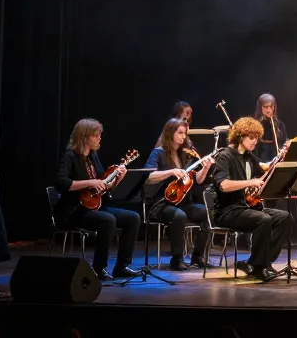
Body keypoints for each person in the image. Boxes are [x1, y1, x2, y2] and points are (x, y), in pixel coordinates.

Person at [52, 119, 141, 280]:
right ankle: (99, 269)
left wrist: (118, 178)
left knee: (133, 218)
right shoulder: (70, 156)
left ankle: (122, 266)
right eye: (96, 135)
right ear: (84, 136)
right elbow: (61, 183)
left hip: (96, 206)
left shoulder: (93, 157)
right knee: (108, 220)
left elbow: (103, 187)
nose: (99, 138)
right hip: (75, 210)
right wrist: (90, 182)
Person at [211, 117, 291, 281]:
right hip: (228, 211)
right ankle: (259, 266)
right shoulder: (224, 156)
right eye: (251, 137)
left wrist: (279, 158)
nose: (255, 141)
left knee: (285, 217)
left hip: (246, 207)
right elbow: (224, 185)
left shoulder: (248, 156)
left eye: (256, 137)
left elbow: (264, 169)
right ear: (240, 136)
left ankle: (260, 263)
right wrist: (250, 182)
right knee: (264, 219)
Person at [145, 118, 214, 270]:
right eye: (180, 133)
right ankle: (177, 259)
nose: (184, 136)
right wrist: (171, 171)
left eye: (185, 133)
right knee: (179, 216)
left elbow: (198, 180)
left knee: (208, 213)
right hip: (161, 204)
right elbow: (148, 176)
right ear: (170, 133)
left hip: (183, 202)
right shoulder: (158, 153)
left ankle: (198, 256)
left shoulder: (185, 154)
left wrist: (206, 168)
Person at [253, 93, 289, 163]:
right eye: (266, 107)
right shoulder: (255, 125)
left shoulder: (280, 125)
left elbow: (283, 142)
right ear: (260, 107)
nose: (269, 110)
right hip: (259, 162)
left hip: (276, 161)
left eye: (271, 106)